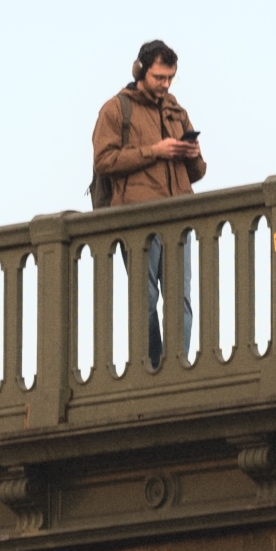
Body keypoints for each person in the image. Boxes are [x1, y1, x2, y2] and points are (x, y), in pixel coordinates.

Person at [90, 43, 206, 368]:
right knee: (146, 299)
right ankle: (154, 365)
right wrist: (154, 151)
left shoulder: (177, 111)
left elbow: (198, 173)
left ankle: (178, 365)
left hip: (179, 218)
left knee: (180, 299)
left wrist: (192, 155)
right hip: (137, 219)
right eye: (159, 77)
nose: (165, 84)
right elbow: (103, 161)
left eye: (170, 78)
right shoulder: (115, 110)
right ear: (140, 71)